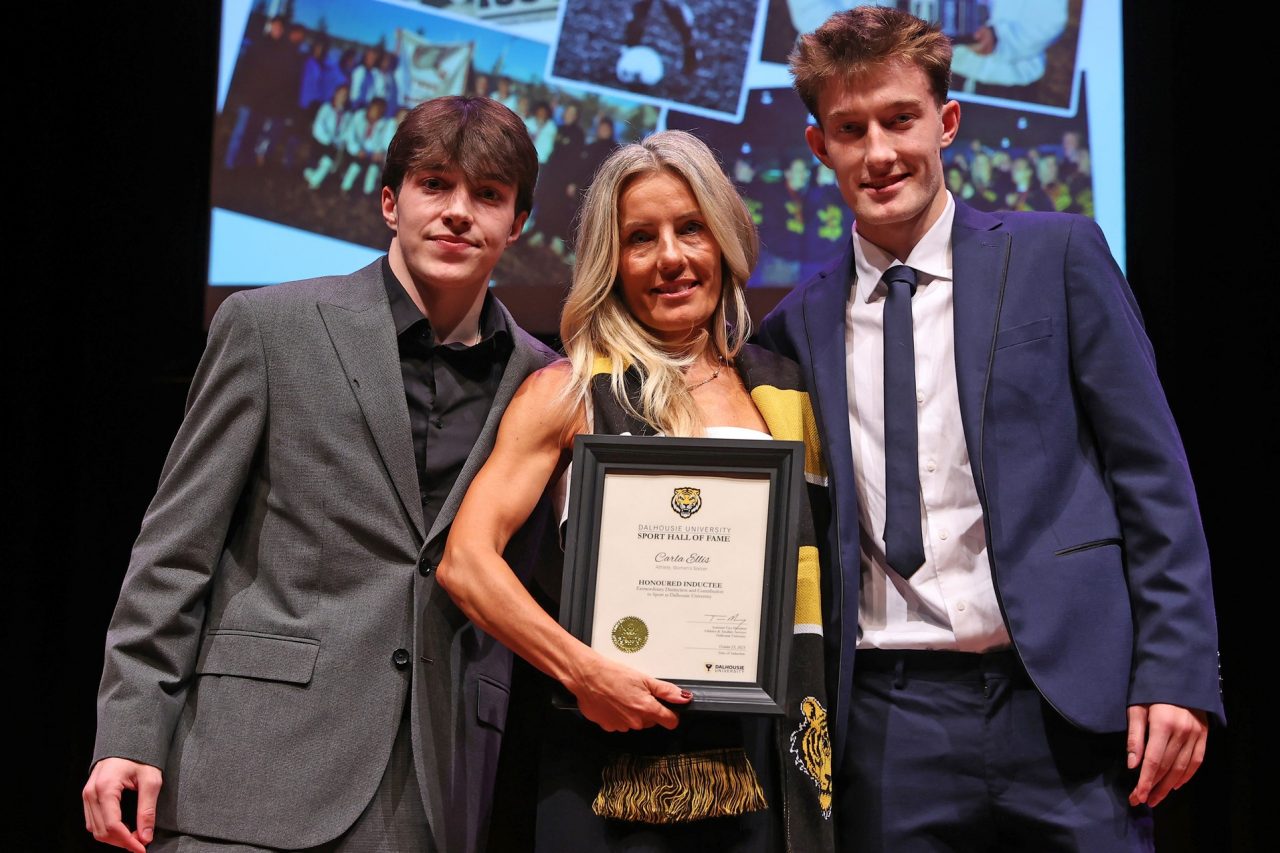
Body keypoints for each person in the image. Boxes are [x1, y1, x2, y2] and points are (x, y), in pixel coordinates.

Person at [756, 6, 1223, 851]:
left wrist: (1179, 674)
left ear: (947, 121)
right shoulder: (794, 325)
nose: (881, 152)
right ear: (819, 145)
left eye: (901, 119)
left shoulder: (1060, 255)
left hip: (1065, 705)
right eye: (850, 129)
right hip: (888, 722)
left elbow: (1154, 479)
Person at [81, 95, 560, 853]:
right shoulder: (270, 327)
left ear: (518, 225)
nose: (459, 212)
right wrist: (129, 730)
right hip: (250, 769)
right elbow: (175, 549)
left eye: (488, 195)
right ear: (389, 200)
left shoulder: (544, 378)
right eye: (435, 184)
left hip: (433, 783)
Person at [436, 129, 836, 852]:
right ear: (610, 262)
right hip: (603, 766)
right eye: (640, 238)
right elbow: (466, 560)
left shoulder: (787, 390)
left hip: (769, 759)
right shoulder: (567, 391)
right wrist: (581, 668)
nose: (672, 257)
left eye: (690, 229)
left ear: (725, 237)